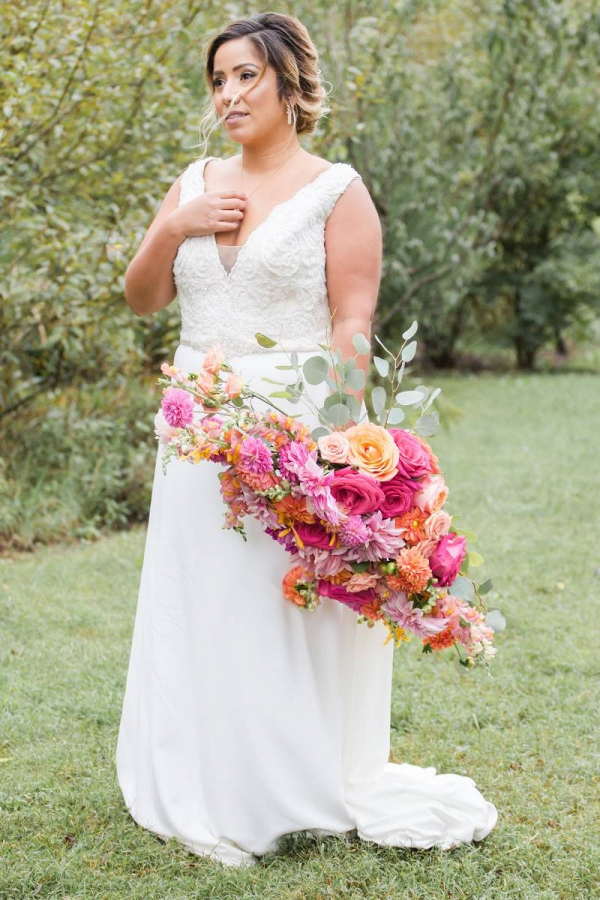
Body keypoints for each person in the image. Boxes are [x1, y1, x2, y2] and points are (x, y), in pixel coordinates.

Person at [116, 12, 498, 868]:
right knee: (204, 597)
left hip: (288, 421)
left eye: (247, 76)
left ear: (290, 84)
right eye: (218, 79)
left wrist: (340, 440)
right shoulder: (194, 182)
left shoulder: (337, 188)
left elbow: (353, 320)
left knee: (273, 599)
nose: (229, 94)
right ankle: (200, 769)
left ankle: (288, 772)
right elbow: (141, 298)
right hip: (195, 429)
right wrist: (176, 226)